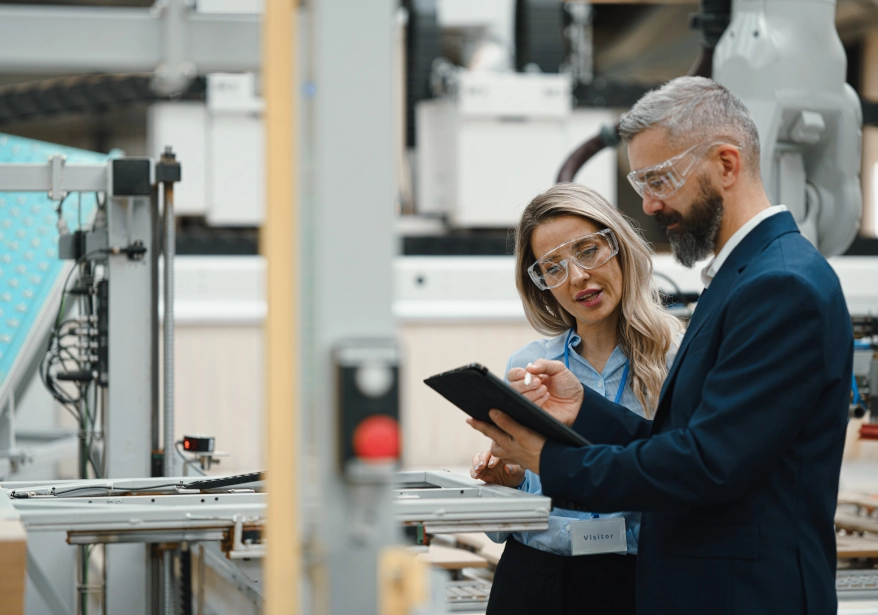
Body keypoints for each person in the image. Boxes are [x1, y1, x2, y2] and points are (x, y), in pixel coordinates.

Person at [468, 76, 853, 615]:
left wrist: (551, 461)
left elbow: (708, 465)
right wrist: (585, 410)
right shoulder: (741, 279)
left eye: (660, 179)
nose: (648, 204)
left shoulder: (780, 284)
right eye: (640, 182)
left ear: (725, 164)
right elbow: (690, 440)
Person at [470, 183, 682, 615]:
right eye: (552, 267)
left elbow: (686, 484)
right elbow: (507, 524)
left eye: (587, 251)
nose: (577, 277)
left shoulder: (679, 359)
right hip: (531, 581)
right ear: (542, 284)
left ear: (618, 246)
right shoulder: (531, 365)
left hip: (631, 584)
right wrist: (510, 485)